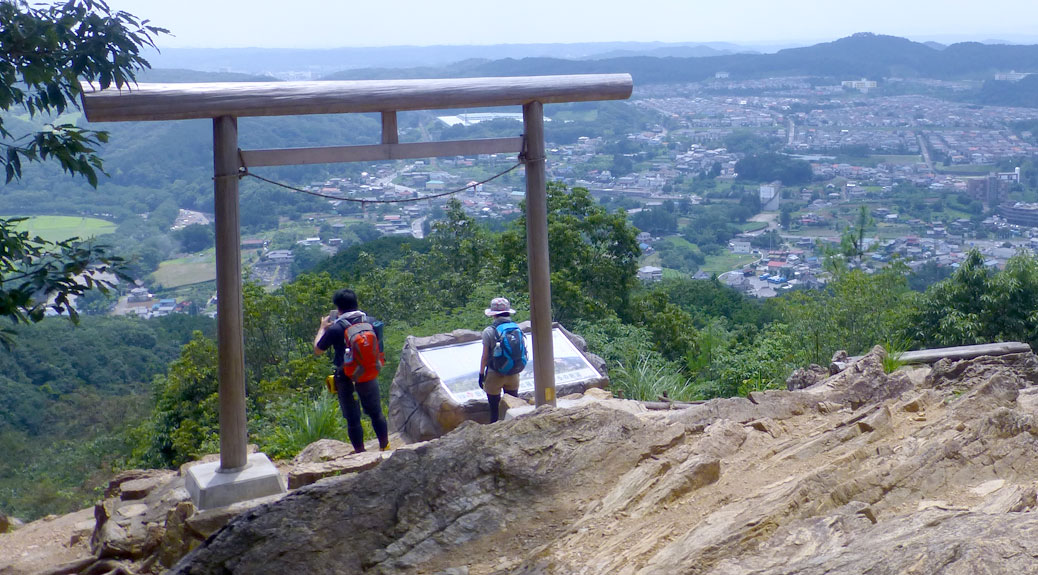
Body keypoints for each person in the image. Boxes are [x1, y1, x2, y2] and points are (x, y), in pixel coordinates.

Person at [314, 288, 389, 452]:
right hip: (369, 373)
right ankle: (385, 447)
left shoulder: (336, 328)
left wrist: (322, 328)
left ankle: (360, 454)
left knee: (353, 419)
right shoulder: (371, 322)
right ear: (356, 303)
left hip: (346, 377)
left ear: (338, 308)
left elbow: (318, 350)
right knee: (376, 413)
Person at [479, 297, 522, 423]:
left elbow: (485, 356)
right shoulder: (516, 328)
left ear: (494, 315)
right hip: (513, 373)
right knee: (513, 408)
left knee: (494, 411)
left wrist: (481, 374)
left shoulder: (489, 331)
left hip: (494, 374)